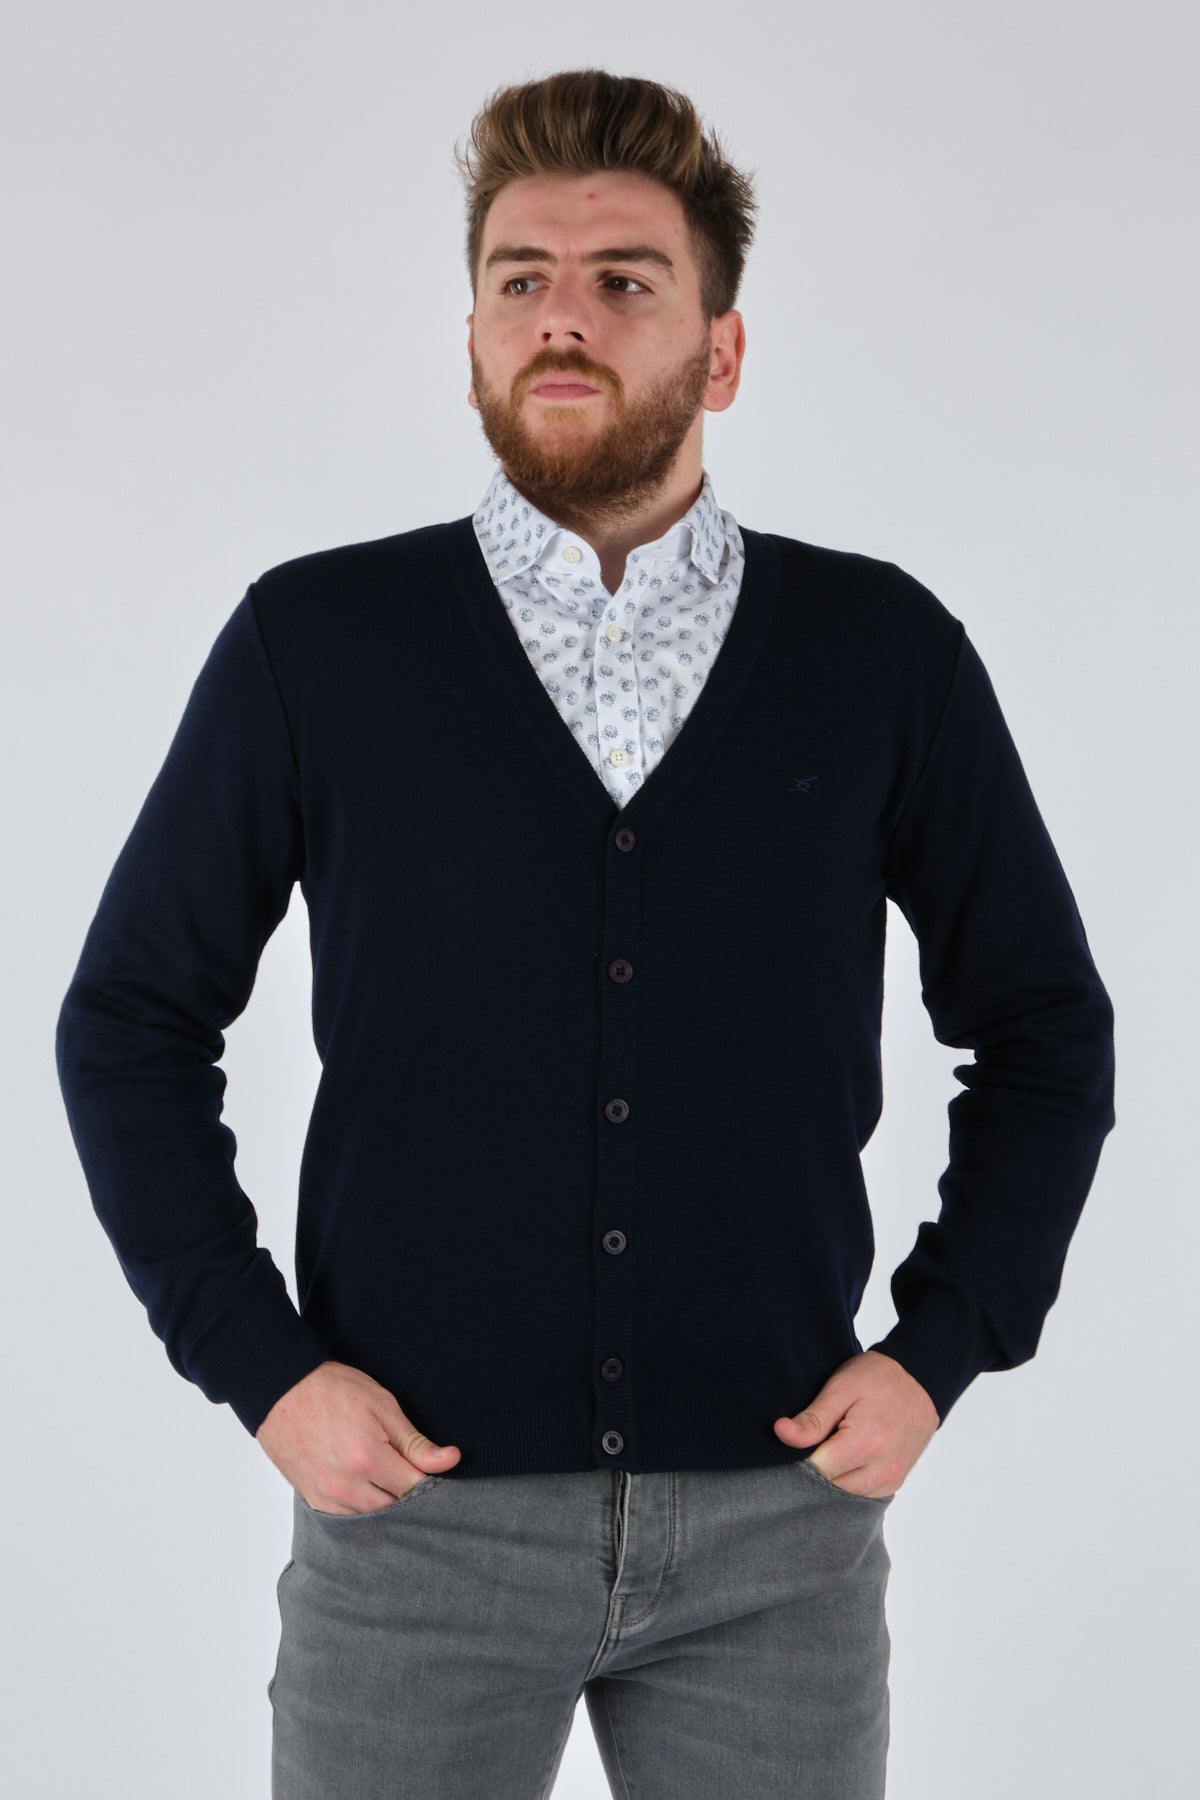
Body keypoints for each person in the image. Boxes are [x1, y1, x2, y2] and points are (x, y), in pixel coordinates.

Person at [55, 67, 1116, 1800]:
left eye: (625, 279)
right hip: (415, 1527)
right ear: (470, 338)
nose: (564, 317)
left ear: (722, 350)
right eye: (521, 280)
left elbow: (1048, 1029)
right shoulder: (317, 647)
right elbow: (127, 1023)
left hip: (779, 1534)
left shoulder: (881, 656)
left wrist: (941, 1351)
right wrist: (261, 1370)